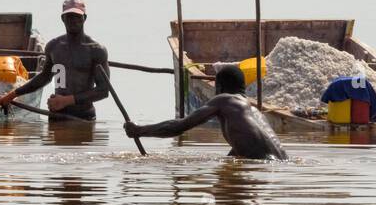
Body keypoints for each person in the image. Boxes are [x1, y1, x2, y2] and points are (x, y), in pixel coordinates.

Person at [123, 65, 287, 160]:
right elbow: (245, 149)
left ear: (219, 87)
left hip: (264, 166)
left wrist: (139, 130)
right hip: (281, 165)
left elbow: (179, 126)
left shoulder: (224, 100)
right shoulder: (255, 113)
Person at [0, 0, 110, 121]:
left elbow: (103, 90)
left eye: (77, 16)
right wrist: (12, 95)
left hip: (83, 117)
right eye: (69, 16)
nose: (73, 20)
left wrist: (67, 100)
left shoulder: (96, 50)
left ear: (84, 18)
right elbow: (44, 77)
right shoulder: (54, 46)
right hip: (56, 115)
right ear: (63, 19)